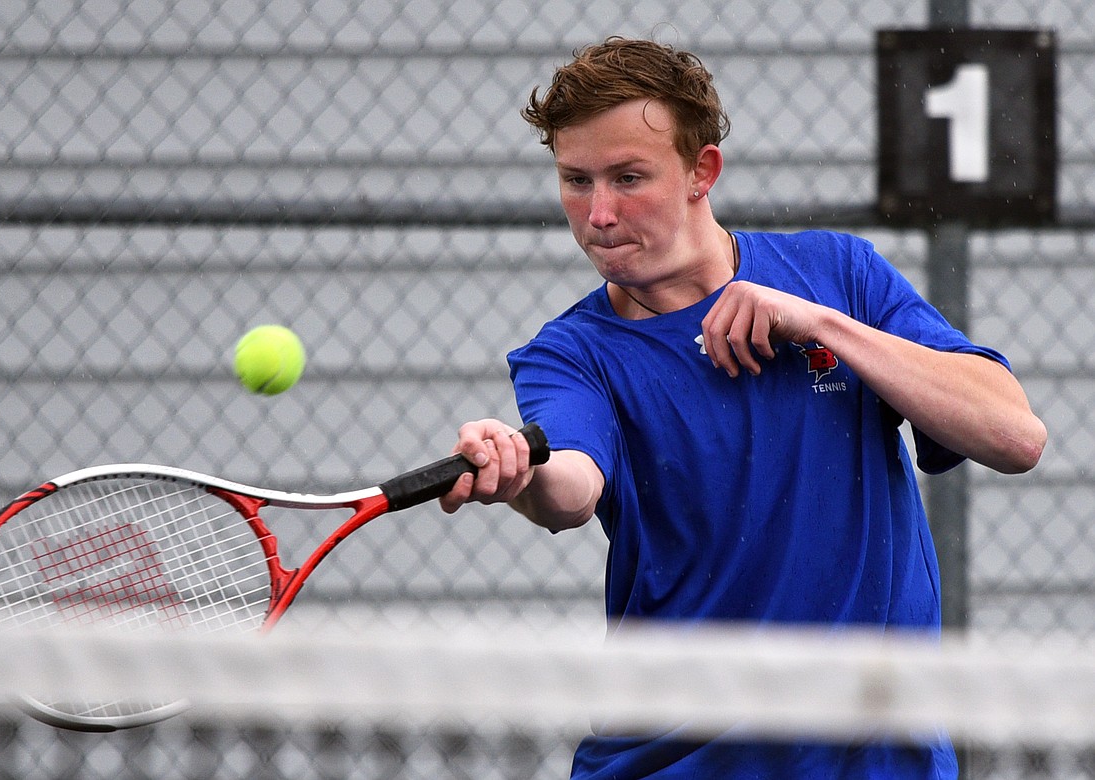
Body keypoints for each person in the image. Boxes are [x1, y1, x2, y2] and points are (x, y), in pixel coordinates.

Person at [439, 36, 1047, 779]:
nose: (597, 214)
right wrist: (519, 472)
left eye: (629, 177)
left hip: (885, 757)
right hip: (676, 762)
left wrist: (823, 324)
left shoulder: (839, 274)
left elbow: (1016, 436)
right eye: (576, 180)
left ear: (703, 172)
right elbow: (571, 484)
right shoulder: (570, 354)